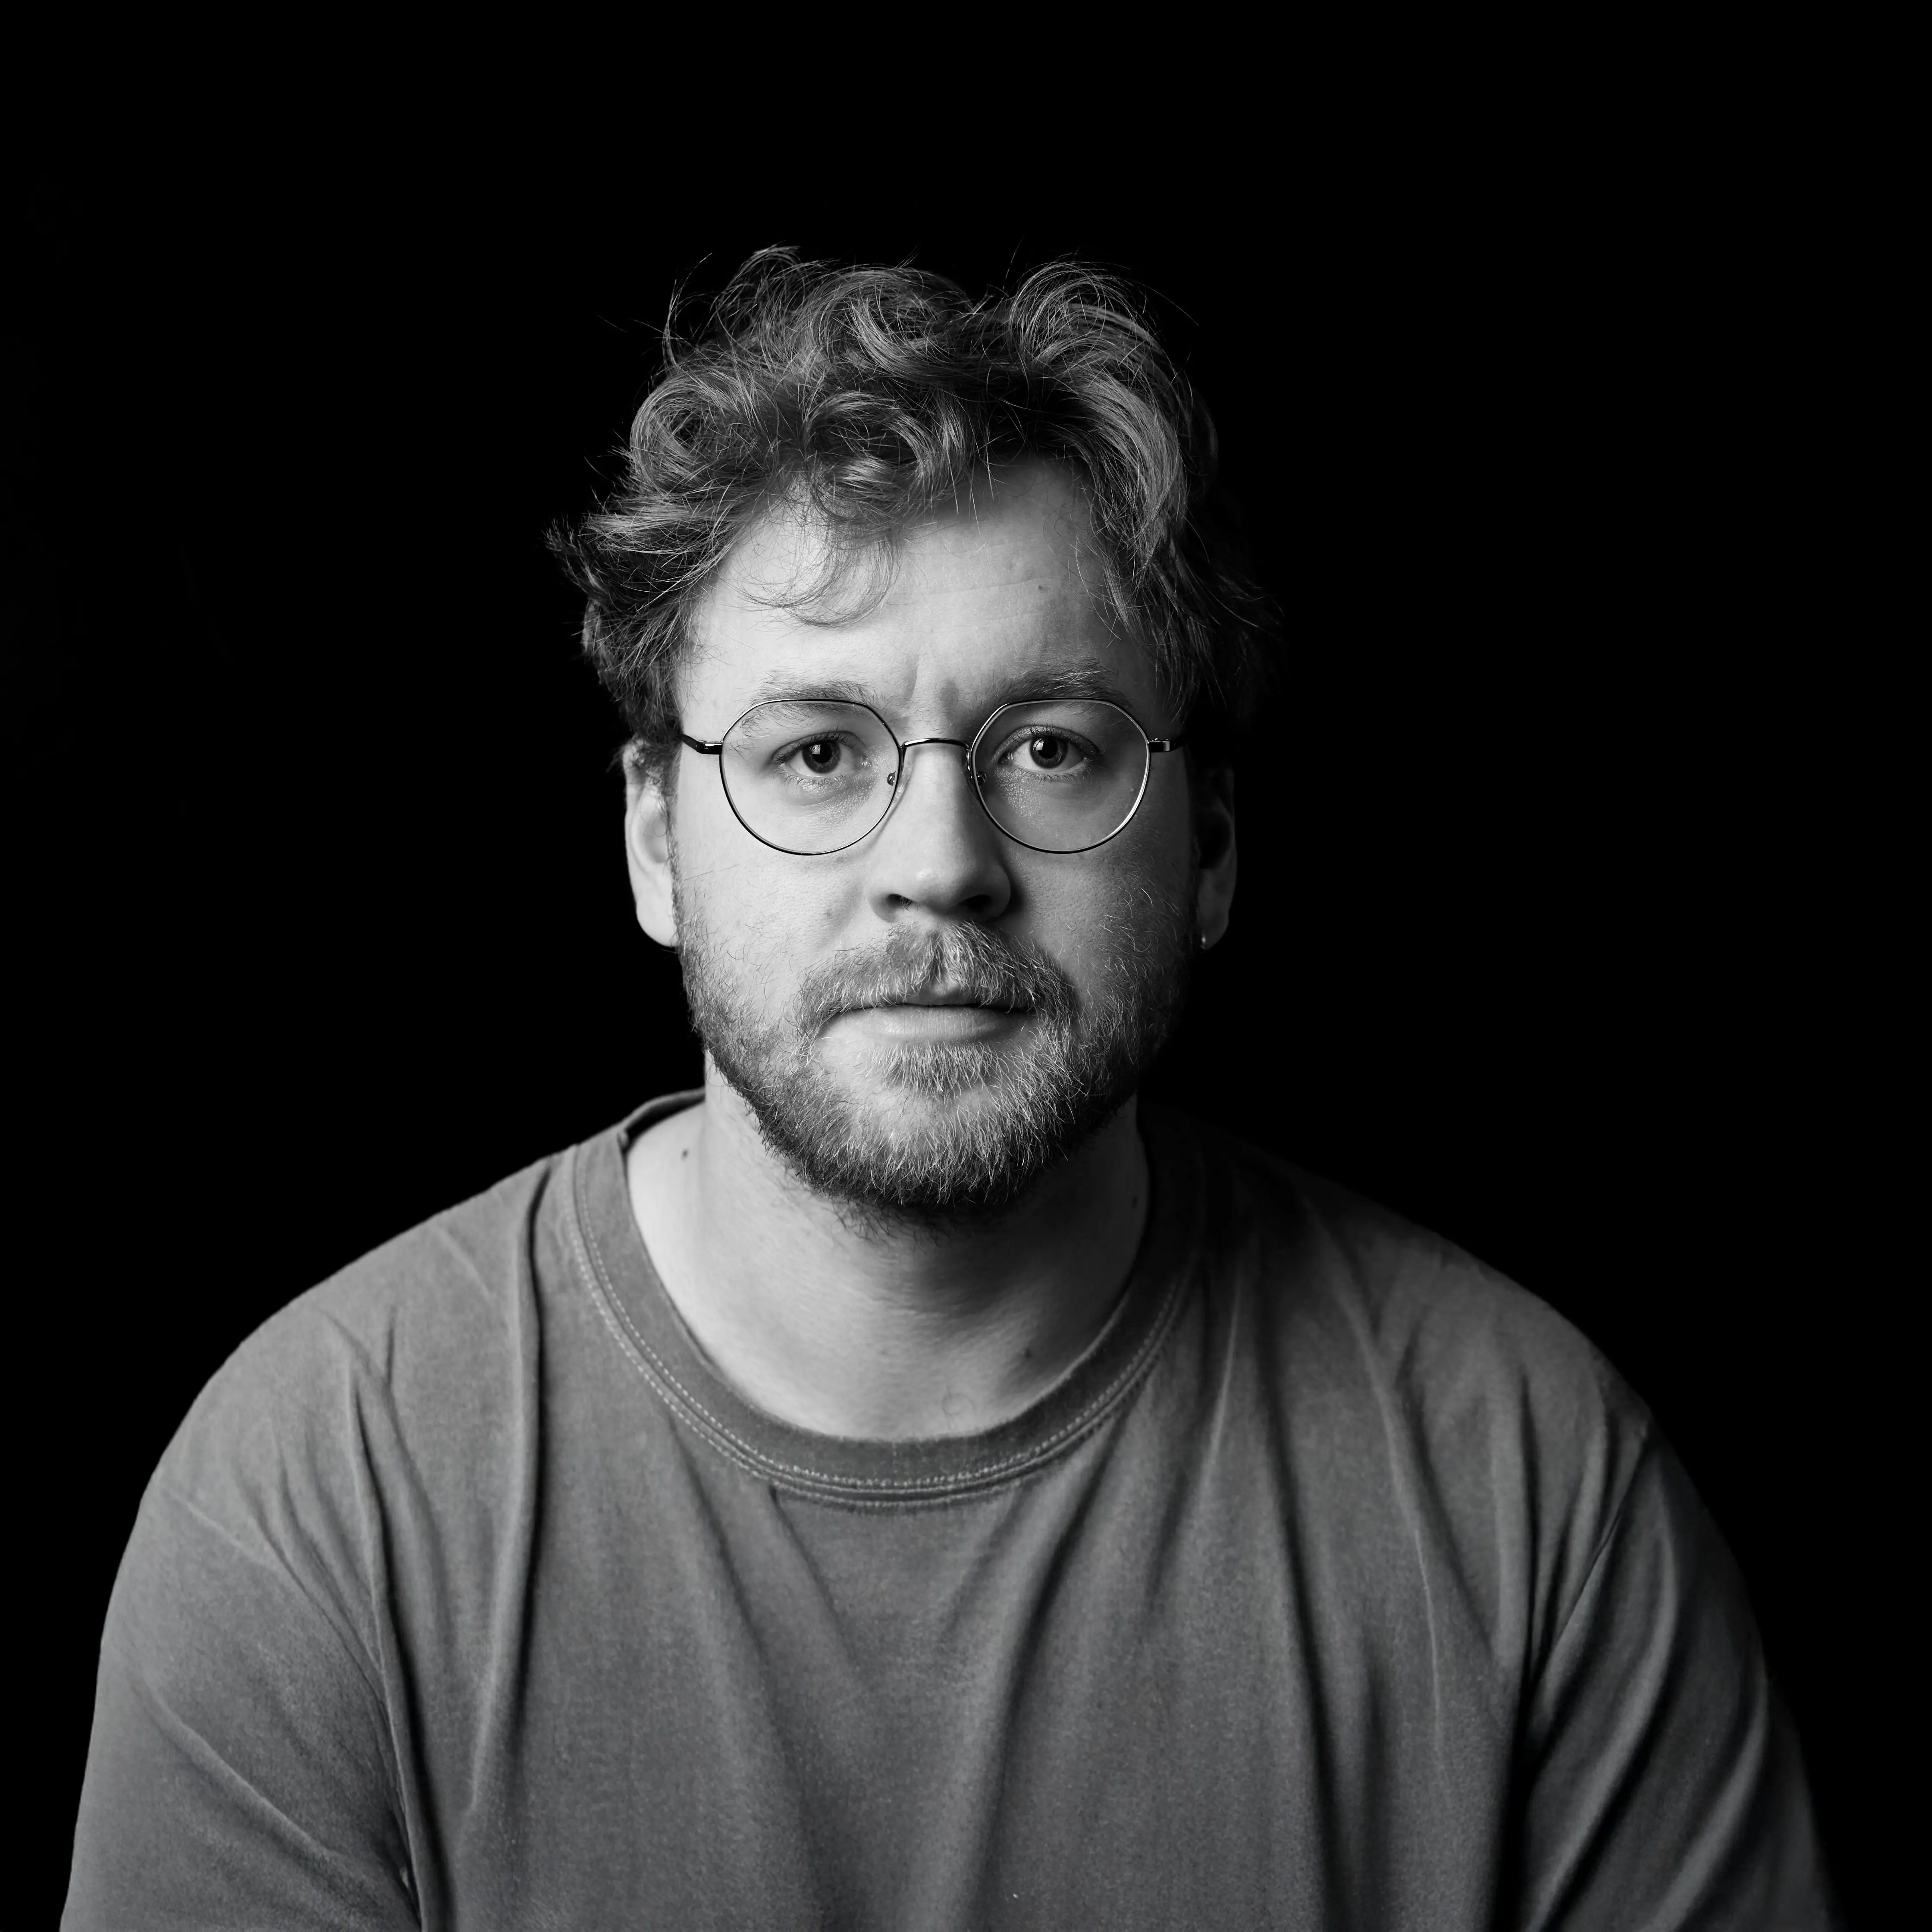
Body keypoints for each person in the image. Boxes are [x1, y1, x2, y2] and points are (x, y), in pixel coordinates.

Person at [64, 253, 1837, 1929]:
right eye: (815, 752)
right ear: (654, 841)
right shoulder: (319, 1496)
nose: (940, 863)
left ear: (1213, 848)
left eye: (1050, 747)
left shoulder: (1532, 1486)